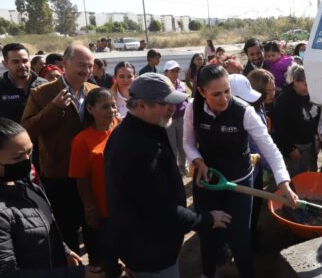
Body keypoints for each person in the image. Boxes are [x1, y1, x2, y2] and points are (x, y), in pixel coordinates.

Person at [105, 73, 232, 278]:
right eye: (166, 104)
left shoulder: (140, 130)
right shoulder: (137, 148)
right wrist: (206, 219)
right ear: (141, 106)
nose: (173, 109)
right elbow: (161, 209)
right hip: (151, 251)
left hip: (146, 245)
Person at [0, 118, 104, 278]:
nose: (27, 161)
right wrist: (74, 275)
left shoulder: (21, 183)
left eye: (30, 152)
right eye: (17, 157)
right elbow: (4, 274)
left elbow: (39, 227)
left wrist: (63, 250)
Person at [184, 64, 298, 278]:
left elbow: (270, 150)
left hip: (239, 186)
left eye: (227, 91)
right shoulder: (193, 108)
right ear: (201, 91)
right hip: (207, 183)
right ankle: (208, 274)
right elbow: (188, 143)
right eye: (216, 94)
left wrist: (284, 183)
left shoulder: (244, 111)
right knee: (208, 235)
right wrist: (198, 161)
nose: (224, 98)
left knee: (240, 240)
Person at [21, 45, 98, 252]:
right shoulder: (42, 93)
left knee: (95, 230)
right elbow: (25, 132)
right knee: (67, 232)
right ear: (65, 64)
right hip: (59, 174)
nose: (86, 70)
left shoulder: (96, 92)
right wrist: (53, 109)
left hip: (92, 174)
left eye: (90, 66)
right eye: (81, 65)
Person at [69, 88, 120, 277]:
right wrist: (90, 208)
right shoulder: (81, 141)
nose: (111, 110)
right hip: (102, 210)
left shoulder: (121, 128)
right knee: (105, 261)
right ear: (90, 109)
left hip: (125, 207)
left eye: (113, 105)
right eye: (105, 106)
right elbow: (81, 178)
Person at [238, 70, 275, 243]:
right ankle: (247, 239)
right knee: (247, 209)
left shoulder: (259, 104)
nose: (272, 94)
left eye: (274, 89)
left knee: (256, 203)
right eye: (268, 91)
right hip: (248, 170)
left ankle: (251, 232)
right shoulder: (249, 112)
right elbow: (259, 148)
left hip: (257, 168)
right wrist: (276, 170)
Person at [270, 63, 320, 175]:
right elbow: (280, 128)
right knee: (295, 177)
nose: (309, 88)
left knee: (307, 174)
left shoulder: (311, 94)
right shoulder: (284, 100)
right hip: (294, 147)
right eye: (305, 84)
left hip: (309, 145)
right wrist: (290, 149)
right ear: (295, 82)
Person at [0, 43, 47, 121]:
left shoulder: (45, 85)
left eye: (25, 61)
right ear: (5, 64)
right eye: (15, 62)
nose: (22, 65)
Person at [163, 61, 189, 176]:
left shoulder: (182, 85)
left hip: (182, 119)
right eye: (172, 71)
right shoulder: (162, 86)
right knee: (172, 146)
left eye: (177, 71)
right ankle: (174, 170)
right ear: (165, 72)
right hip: (169, 120)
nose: (175, 74)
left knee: (183, 146)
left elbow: (186, 100)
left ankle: (183, 167)